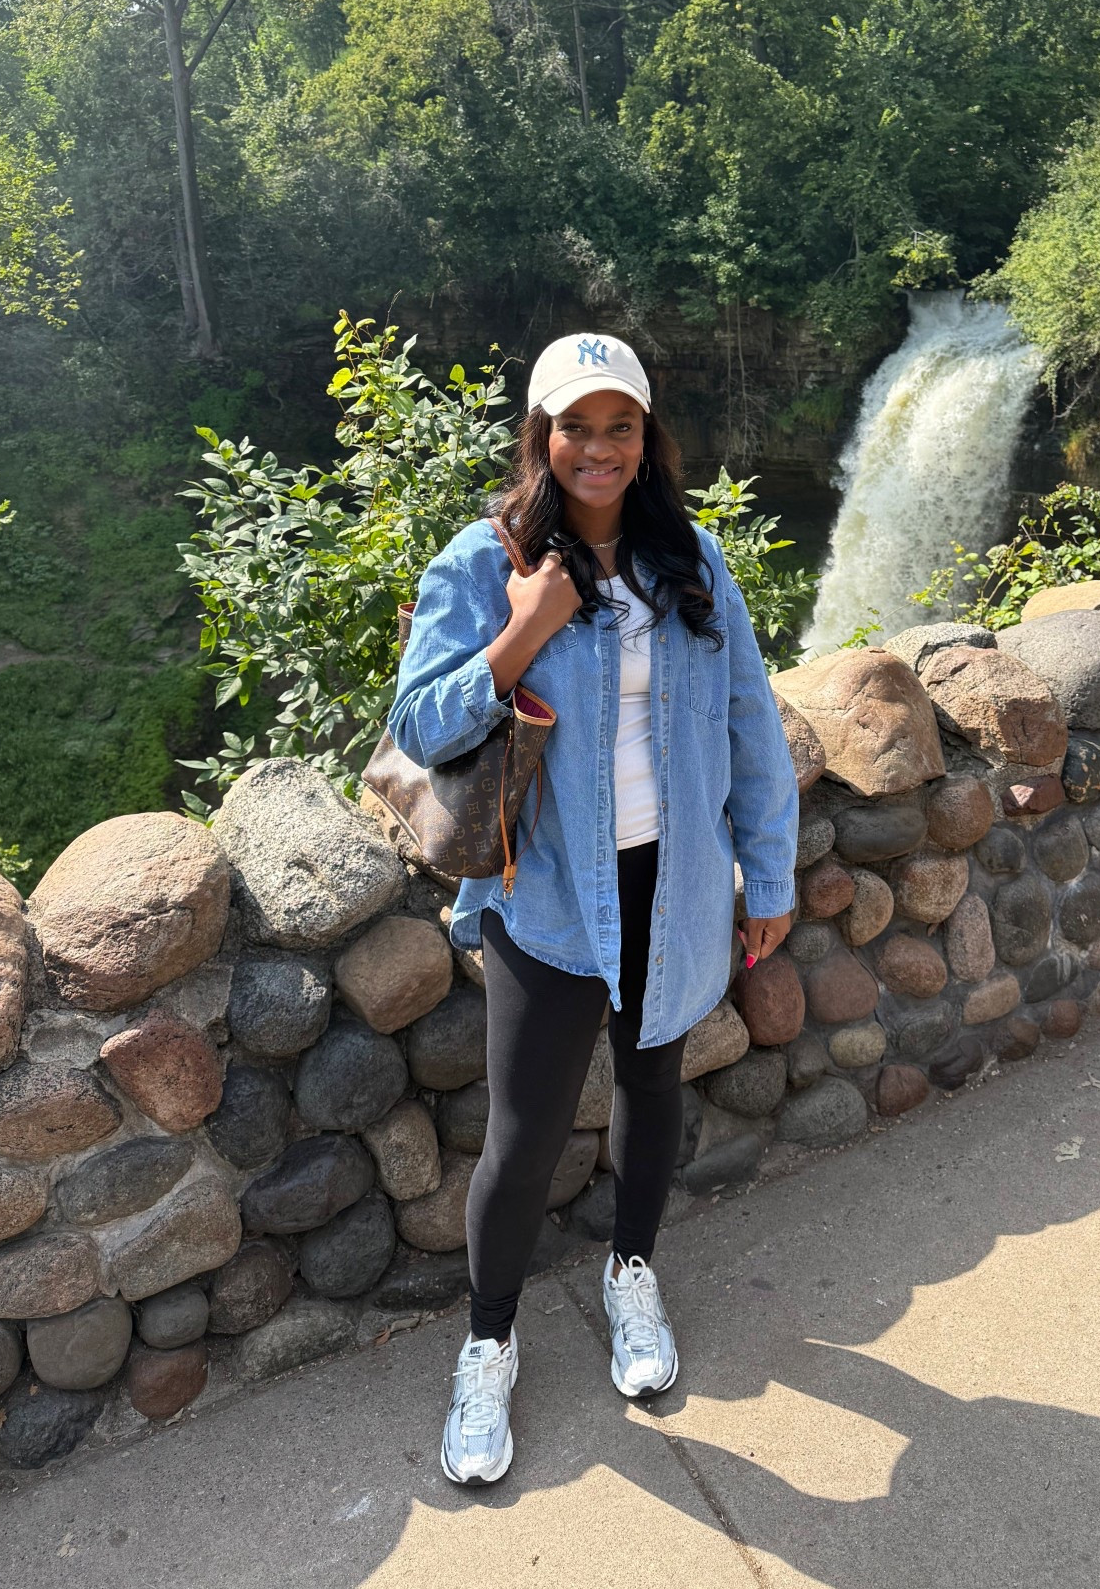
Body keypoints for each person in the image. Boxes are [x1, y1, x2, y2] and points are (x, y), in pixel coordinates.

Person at [387, 331, 799, 1485]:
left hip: (671, 884)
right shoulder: (489, 556)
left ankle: (631, 1270)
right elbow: (419, 724)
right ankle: (490, 1338)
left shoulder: (692, 561)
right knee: (522, 1136)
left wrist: (765, 876)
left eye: (622, 426)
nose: (599, 448)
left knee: (655, 1086)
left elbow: (750, 727)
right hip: (549, 891)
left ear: (648, 439)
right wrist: (526, 625)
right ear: (542, 435)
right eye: (576, 425)